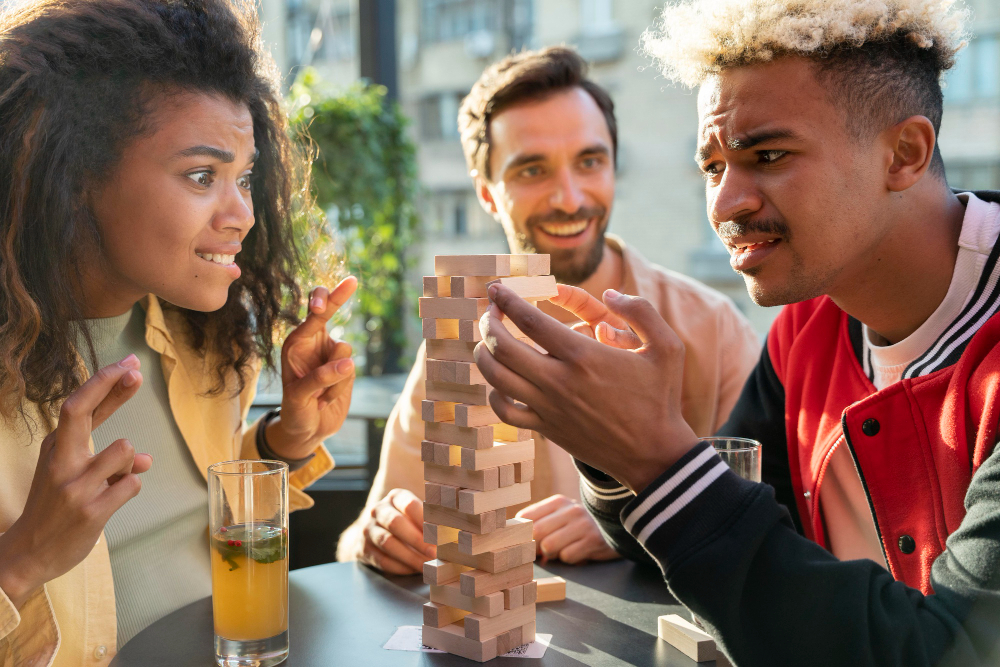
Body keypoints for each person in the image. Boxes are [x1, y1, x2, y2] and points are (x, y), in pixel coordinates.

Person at [476, 1, 1000, 665]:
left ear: (904, 153)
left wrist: (656, 456)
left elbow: (950, 652)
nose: (725, 204)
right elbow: (711, 536)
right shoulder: (805, 329)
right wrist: (612, 443)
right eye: (713, 166)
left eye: (768, 154)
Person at [0, 1, 356, 664]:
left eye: (245, 178)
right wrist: (24, 559)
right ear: (74, 178)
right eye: (202, 176)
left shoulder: (201, 344)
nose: (244, 215)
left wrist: (287, 439)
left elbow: (189, 516)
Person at [336, 46, 761, 574]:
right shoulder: (458, 335)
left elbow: (768, 534)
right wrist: (378, 537)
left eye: (590, 161)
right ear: (487, 194)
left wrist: (631, 525)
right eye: (532, 170)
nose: (569, 197)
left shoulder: (711, 327)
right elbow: (365, 530)